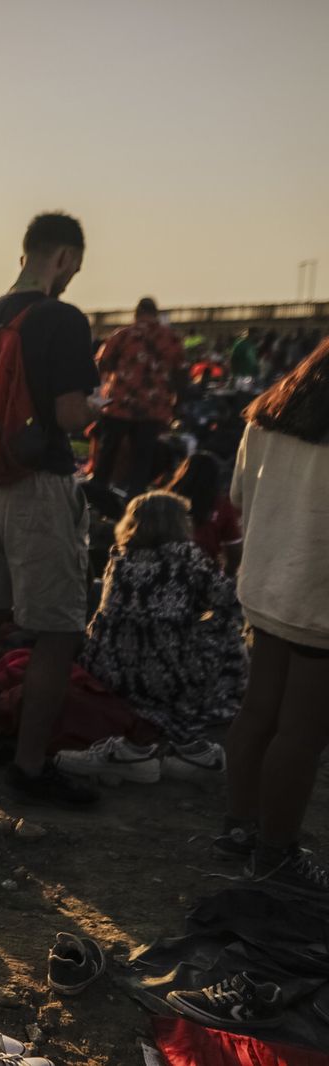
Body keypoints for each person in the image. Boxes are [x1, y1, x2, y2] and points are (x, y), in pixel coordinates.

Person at [0, 213, 101, 806]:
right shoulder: (61, 318)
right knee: (59, 628)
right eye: (74, 269)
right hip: (36, 485)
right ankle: (31, 767)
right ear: (63, 257)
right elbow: (69, 415)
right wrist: (102, 401)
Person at [220, 338, 329, 897]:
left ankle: (240, 827)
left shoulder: (267, 416)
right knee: (302, 729)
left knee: (259, 709)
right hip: (317, 598)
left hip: (265, 585)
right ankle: (277, 850)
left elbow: (240, 495)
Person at [72, 491, 245, 752]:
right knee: (229, 634)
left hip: (109, 666)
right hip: (165, 673)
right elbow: (228, 600)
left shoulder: (120, 556)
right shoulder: (186, 555)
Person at [91, 297, 183, 499]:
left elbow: (103, 363)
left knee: (108, 454)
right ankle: (135, 502)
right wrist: (175, 403)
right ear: (156, 314)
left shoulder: (123, 335)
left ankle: (97, 498)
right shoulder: (170, 338)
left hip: (119, 404)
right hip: (153, 408)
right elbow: (179, 372)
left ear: (137, 313)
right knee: (141, 460)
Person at [161, 451, 242, 572]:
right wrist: (226, 576)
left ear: (182, 473)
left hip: (164, 568)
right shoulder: (222, 507)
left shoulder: (164, 501)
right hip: (203, 574)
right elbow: (235, 552)